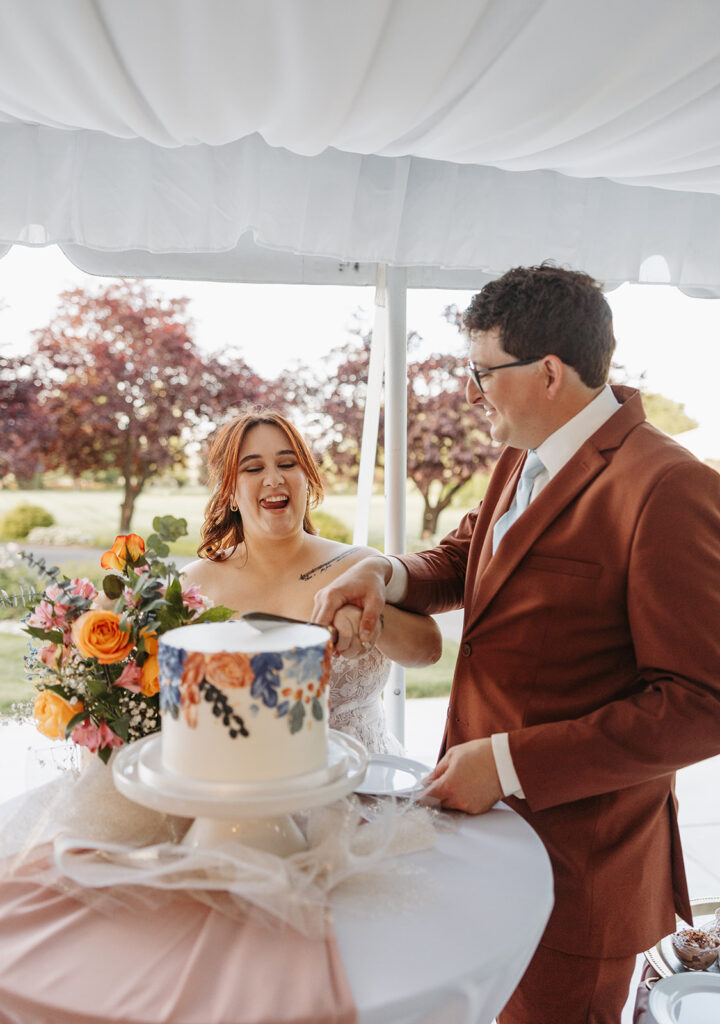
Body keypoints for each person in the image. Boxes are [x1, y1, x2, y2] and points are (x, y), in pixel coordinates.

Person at [312, 264, 720, 1024]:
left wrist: (507, 764)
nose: (472, 392)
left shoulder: (668, 487)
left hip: (582, 869)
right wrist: (385, 571)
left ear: (550, 372)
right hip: (488, 838)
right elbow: (468, 562)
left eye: (481, 372)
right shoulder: (521, 454)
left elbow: (700, 706)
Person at [182, 409, 442, 755]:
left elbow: (430, 650)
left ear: (307, 478)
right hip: (249, 795)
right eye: (254, 468)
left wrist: (372, 619)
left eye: (287, 464)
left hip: (367, 784)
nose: (274, 478)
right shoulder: (192, 587)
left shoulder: (358, 565)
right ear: (228, 492)